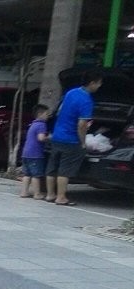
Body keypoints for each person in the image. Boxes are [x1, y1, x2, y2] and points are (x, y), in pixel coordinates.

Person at [45, 70, 103, 206]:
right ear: (92, 83)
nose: (99, 86)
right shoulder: (86, 100)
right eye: (99, 83)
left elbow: (59, 111)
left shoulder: (71, 92)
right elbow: (82, 124)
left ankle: (50, 195)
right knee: (64, 170)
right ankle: (61, 197)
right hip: (70, 139)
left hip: (57, 136)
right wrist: (83, 142)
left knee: (52, 166)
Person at [19, 104, 50, 199]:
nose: (48, 116)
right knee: (36, 175)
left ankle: (24, 192)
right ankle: (37, 194)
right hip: (35, 154)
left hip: (26, 153)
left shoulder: (33, 124)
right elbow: (40, 138)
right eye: (47, 114)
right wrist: (49, 137)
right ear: (40, 114)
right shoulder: (42, 125)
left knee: (26, 174)